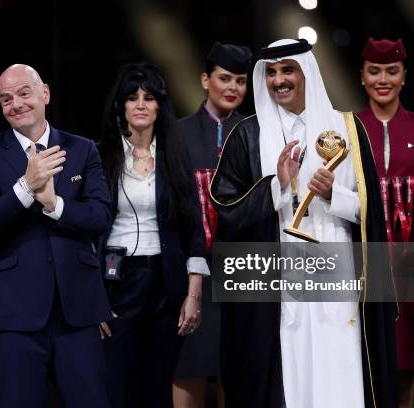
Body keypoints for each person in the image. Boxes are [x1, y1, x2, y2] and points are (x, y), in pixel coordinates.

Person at [209, 39, 398, 408]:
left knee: (338, 368)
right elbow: (226, 207)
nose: (279, 80)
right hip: (278, 280)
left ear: (305, 72)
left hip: (337, 271)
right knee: (290, 375)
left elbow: (371, 212)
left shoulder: (347, 128)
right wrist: (276, 185)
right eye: (272, 73)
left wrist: (333, 196)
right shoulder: (247, 135)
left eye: (287, 70)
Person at [0, 64, 112, 408]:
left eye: (23, 93)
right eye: (6, 98)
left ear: (45, 93)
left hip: (77, 309)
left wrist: (55, 204)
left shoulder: (82, 149)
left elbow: (100, 217)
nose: (15, 104)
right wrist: (25, 188)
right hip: (13, 314)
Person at [97, 63, 209, 408]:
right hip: (118, 283)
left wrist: (193, 295)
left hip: (166, 283)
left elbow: (193, 229)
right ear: (122, 106)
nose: (141, 104)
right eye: (132, 98)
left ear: (160, 106)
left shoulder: (175, 156)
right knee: (117, 385)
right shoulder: (102, 156)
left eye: (148, 98)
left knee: (159, 385)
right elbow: (87, 232)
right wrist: (94, 298)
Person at [357, 37, 414, 408]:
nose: (383, 79)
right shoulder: (347, 127)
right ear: (362, 76)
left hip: (412, 263)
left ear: (404, 76)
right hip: (362, 261)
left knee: (406, 365)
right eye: (374, 71)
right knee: (361, 361)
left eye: (391, 71)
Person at [174, 41, 251, 408]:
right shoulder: (176, 134)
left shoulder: (257, 133)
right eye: (224, 78)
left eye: (240, 80)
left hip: (243, 269)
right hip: (191, 271)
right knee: (186, 364)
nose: (233, 87)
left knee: (235, 370)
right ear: (205, 80)